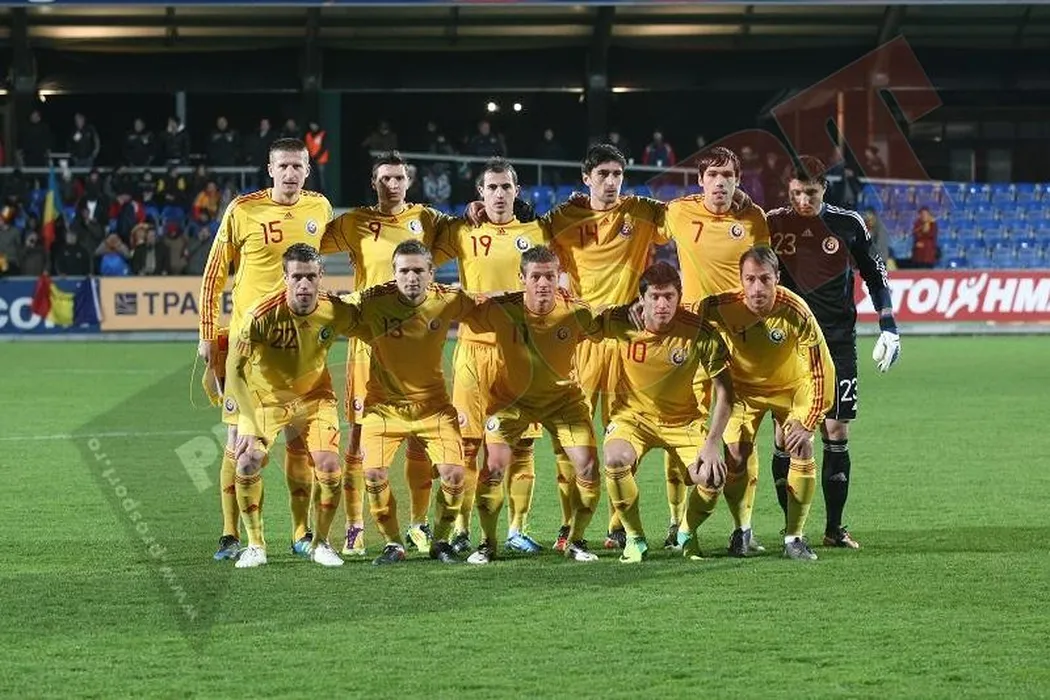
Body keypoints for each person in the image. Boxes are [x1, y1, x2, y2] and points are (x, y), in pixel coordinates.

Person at [197, 137, 334, 562]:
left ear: (307, 170)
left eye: (298, 166)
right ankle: (230, 534)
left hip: (298, 347)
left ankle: (300, 533)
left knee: (298, 439)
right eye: (283, 166)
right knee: (237, 441)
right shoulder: (243, 209)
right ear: (270, 169)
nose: (290, 173)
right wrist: (207, 333)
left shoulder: (320, 208)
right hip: (247, 349)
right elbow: (214, 274)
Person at [321, 151, 459, 557]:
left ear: (408, 181)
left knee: (420, 437)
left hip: (415, 339)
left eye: (398, 178)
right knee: (359, 436)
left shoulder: (427, 219)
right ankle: (355, 525)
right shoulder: (355, 222)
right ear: (373, 182)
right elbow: (309, 241)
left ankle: (418, 524)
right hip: (370, 340)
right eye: (384, 178)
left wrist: (476, 210)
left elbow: (465, 232)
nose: (392, 185)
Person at [766, 156, 900, 549]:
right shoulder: (773, 223)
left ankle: (834, 529)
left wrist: (889, 325)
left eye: (810, 192)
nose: (802, 200)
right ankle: (793, 529)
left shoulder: (848, 224)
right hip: (787, 345)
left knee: (836, 430)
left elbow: (875, 274)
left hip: (837, 341)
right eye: (796, 193)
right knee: (786, 434)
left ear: (824, 187)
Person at [654, 146, 769, 553]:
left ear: (738, 180)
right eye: (713, 176)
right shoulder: (678, 212)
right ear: (700, 180)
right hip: (689, 342)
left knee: (739, 444)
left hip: (739, 344)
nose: (720, 183)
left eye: (728, 176)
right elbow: (637, 220)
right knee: (679, 430)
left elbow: (764, 272)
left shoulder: (753, 218)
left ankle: (743, 529)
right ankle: (676, 523)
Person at [460, 245, 607, 564]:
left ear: (559, 278)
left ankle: (576, 540)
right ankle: (487, 543)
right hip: (510, 402)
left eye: (550, 276)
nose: (543, 283)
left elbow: (606, 327)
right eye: (536, 277)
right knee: (493, 468)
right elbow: (459, 309)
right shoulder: (501, 309)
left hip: (563, 401)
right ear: (522, 278)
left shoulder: (576, 311)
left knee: (588, 467)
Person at [432, 158, 547, 556]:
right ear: (480, 193)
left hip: (520, 352)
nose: (499, 194)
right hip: (473, 351)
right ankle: (462, 528)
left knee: (523, 445)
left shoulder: (535, 232)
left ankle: (517, 529)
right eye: (492, 188)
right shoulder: (463, 231)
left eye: (506, 187)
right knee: (467, 444)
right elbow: (424, 253)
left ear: (517, 191)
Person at [343, 240, 478, 566]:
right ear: (394, 273)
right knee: (373, 474)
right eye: (404, 271)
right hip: (383, 408)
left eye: (418, 270)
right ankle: (393, 543)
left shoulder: (448, 299)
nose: (411, 277)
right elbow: (332, 308)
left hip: (434, 408)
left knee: (454, 476)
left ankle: (441, 540)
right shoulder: (373, 300)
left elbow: (490, 303)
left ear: (431, 273)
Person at [701, 246, 836, 560]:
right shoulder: (721, 306)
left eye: (765, 279)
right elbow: (684, 317)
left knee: (801, 446)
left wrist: (809, 422)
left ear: (777, 278)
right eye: (750, 279)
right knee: (735, 456)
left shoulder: (796, 310)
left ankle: (794, 537)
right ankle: (742, 530)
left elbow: (823, 370)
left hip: (792, 390)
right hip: (743, 392)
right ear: (741, 280)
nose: (757, 287)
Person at [225, 244, 350, 569]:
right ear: (285, 278)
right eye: (297, 277)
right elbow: (234, 371)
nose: (304, 285)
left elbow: (372, 327)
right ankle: (255, 545)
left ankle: (320, 543)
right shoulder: (260, 315)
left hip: (315, 399)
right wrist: (247, 422)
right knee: (247, 461)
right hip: (266, 400)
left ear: (321, 276)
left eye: (311, 276)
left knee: (329, 467)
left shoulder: (336, 310)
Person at [602, 262, 734, 564]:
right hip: (633, 418)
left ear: (679, 297)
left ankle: (686, 532)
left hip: (683, 421)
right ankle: (634, 538)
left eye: (669, 296)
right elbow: (584, 320)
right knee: (615, 459)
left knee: (712, 477)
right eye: (655, 297)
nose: (662, 304)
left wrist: (713, 443)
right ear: (642, 299)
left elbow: (726, 393)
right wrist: (618, 309)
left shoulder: (699, 331)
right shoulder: (622, 322)